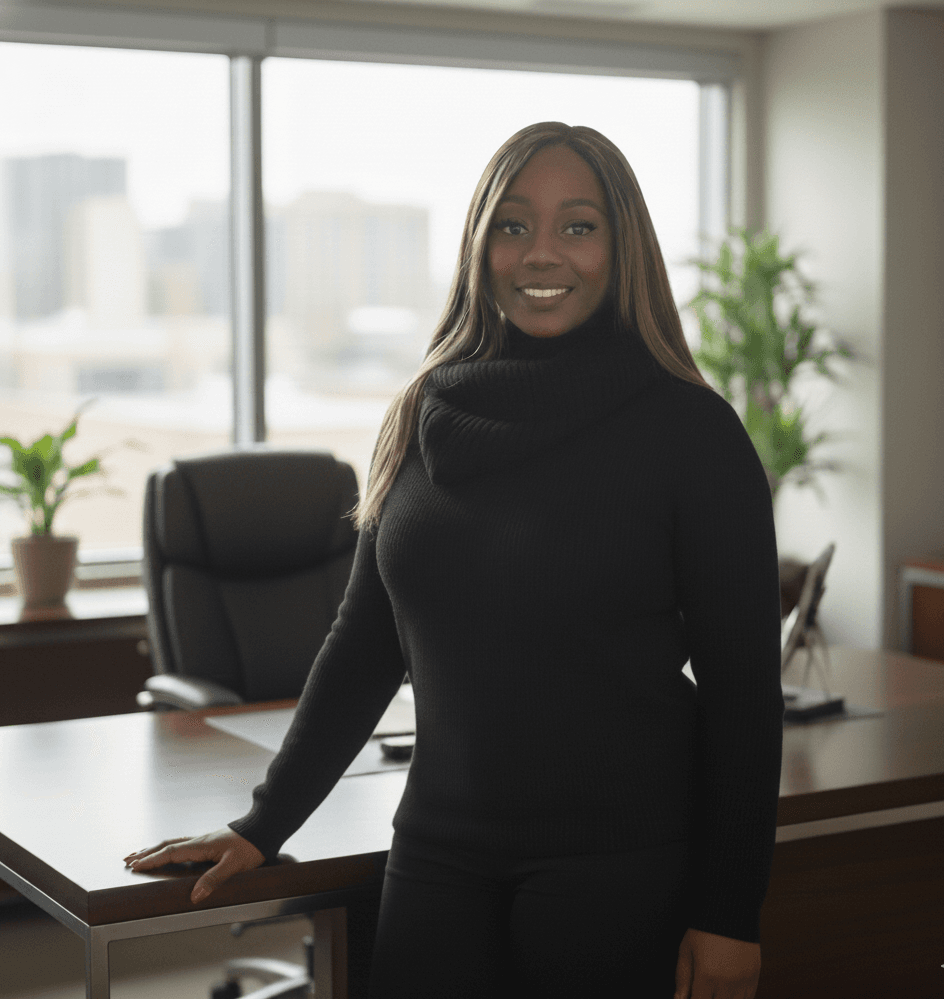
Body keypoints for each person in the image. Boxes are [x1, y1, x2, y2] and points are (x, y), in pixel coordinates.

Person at [124, 122, 784, 999]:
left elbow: (745, 694)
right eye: (512, 225)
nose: (541, 252)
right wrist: (263, 823)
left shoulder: (692, 434)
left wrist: (732, 914)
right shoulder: (425, 410)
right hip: (440, 854)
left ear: (623, 247)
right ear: (480, 245)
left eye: (578, 226)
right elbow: (364, 645)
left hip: (617, 865)